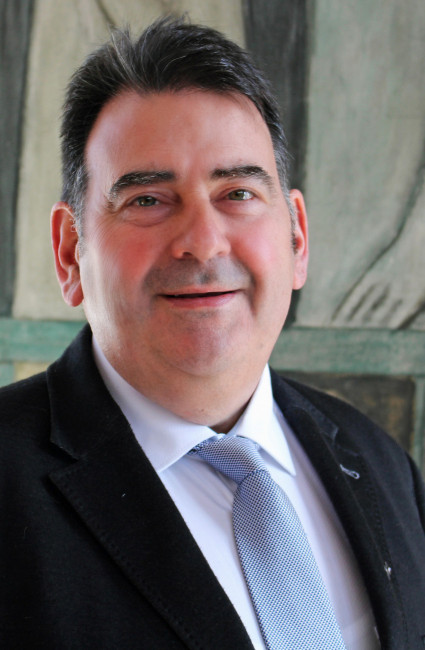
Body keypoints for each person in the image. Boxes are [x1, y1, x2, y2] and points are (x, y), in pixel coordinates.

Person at [1, 16, 424, 650]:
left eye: (238, 193)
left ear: (297, 238)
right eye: (147, 200)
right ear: (69, 253)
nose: (203, 241)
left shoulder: (382, 465)